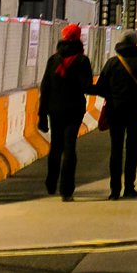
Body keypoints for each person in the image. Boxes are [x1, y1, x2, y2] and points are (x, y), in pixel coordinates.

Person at [95, 32, 137, 199]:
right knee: (132, 149)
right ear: (135, 43)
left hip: (115, 112)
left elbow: (101, 88)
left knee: (116, 150)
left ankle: (114, 190)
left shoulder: (112, 63)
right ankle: (129, 187)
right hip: (135, 113)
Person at [37, 24, 93, 200]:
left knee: (55, 146)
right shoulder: (82, 61)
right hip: (74, 110)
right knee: (70, 148)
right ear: (78, 39)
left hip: (54, 110)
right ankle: (66, 190)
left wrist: (42, 115)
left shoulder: (53, 60)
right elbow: (87, 87)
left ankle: (51, 183)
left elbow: (45, 88)